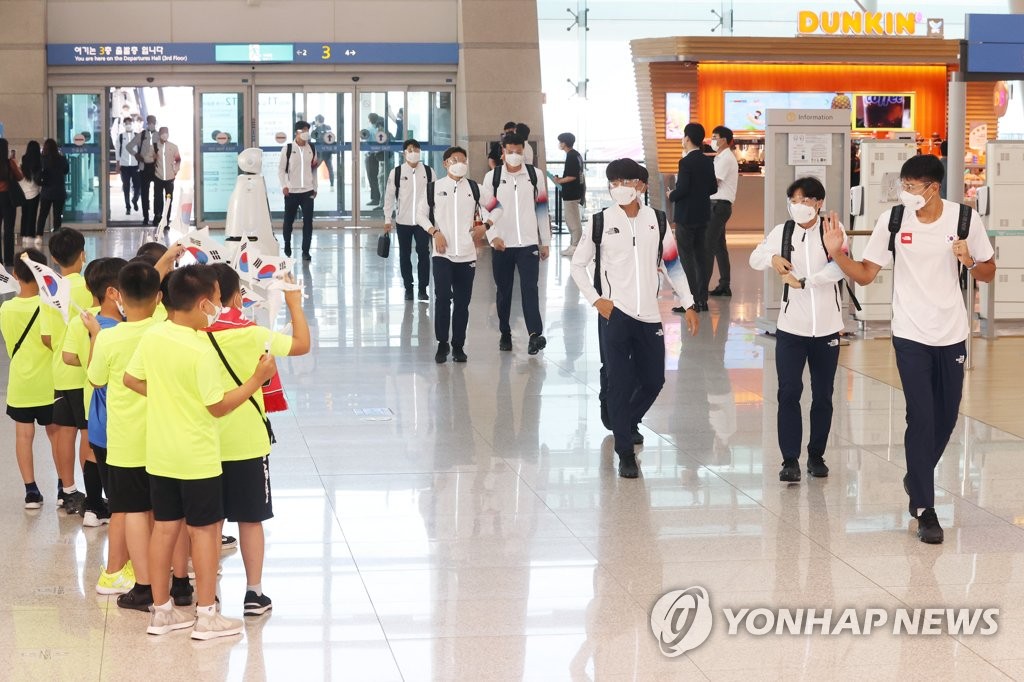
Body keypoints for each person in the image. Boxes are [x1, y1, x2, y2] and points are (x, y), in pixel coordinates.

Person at [822, 155, 996, 544]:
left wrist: (968, 259)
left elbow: (988, 271)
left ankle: (915, 475)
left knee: (946, 417)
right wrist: (838, 254)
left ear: (933, 188)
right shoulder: (894, 220)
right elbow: (866, 275)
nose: (906, 193)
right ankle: (924, 508)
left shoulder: (964, 220)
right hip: (910, 334)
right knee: (921, 416)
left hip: (952, 333)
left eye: (913, 187)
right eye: (904, 185)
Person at [124, 265, 278, 639]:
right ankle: (207, 615)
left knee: (164, 531)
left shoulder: (154, 336)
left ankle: (161, 612)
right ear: (202, 302)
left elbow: (131, 378)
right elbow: (218, 406)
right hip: (197, 457)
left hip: (160, 453)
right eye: (212, 302)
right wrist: (256, 380)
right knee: (204, 533)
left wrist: (166, 397)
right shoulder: (199, 350)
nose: (215, 310)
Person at [571, 159, 699, 478]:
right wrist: (597, 300)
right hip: (615, 314)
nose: (618, 187)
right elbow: (577, 265)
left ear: (641, 185)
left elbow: (672, 265)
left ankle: (626, 419)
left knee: (654, 379)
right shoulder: (599, 221)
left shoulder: (656, 219)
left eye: (624, 181)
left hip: (649, 315)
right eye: (613, 182)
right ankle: (625, 451)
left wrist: (690, 302)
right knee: (620, 379)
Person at [205, 263, 310, 616]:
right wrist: (294, 303)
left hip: (204, 441)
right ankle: (254, 593)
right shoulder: (252, 333)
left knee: (209, 522)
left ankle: (210, 591)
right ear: (235, 295)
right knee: (250, 520)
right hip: (248, 441)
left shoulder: (193, 336)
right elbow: (301, 345)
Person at [749, 177, 847, 483]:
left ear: (819, 203)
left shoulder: (833, 231)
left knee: (824, 395)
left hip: (828, 328)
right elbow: (755, 259)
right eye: (794, 200)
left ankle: (816, 455)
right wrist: (773, 257)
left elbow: (840, 267)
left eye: (805, 200)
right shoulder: (783, 231)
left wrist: (806, 281)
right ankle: (789, 459)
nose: (799, 206)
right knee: (789, 391)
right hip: (792, 328)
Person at [64, 257, 127, 528]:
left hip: (94, 406)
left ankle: (93, 506)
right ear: (114, 291)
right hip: (120, 411)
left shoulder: (83, 320)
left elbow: (68, 356)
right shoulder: (124, 329)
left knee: (93, 452)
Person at [481, 133, 551, 355]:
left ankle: (534, 335)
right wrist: (493, 238)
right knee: (504, 291)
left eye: (518, 151)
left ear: (524, 151)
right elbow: (485, 209)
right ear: (502, 152)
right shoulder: (492, 177)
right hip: (502, 243)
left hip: (528, 243)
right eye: (510, 151)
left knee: (530, 288)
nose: (514, 155)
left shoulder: (534, 175)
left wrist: (545, 241)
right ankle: (504, 332)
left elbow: (541, 208)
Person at [1, 248, 59, 509]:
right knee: (56, 435)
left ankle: (31, 491)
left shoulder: (6, 308)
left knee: (24, 436)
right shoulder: (49, 306)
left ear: (15, 274)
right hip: (49, 383)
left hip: (21, 383)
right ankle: (63, 484)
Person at [416, 146, 485, 363]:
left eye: (463, 160)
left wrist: (487, 226)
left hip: (466, 255)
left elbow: (497, 207)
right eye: (455, 160)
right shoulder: (433, 188)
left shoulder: (474, 188)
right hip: (442, 254)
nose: (460, 163)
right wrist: (434, 232)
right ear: (446, 163)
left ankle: (458, 346)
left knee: (462, 303)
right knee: (443, 298)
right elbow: (419, 215)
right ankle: (442, 343)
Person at [43, 227, 93, 515]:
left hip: (60, 373)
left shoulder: (50, 293)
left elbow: (46, 339)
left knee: (64, 431)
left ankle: (68, 491)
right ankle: (93, 493)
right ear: (83, 255)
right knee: (87, 432)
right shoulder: (88, 288)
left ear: (53, 258)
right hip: (85, 372)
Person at [668, 123, 717, 313]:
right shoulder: (707, 161)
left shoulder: (686, 162)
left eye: (683, 137)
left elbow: (683, 190)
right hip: (703, 214)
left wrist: (671, 194)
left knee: (686, 259)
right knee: (701, 258)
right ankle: (702, 300)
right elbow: (713, 188)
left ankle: (690, 301)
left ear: (687, 138)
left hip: (686, 216)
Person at [384, 139, 434, 300]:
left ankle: (423, 288)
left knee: (423, 254)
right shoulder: (397, 172)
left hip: (423, 221)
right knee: (404, 255)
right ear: (404, 152)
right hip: (403, 220)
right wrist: (387, 218)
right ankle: (408, 287)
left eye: (416, 149)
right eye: (410, 149)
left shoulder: (428, 171)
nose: (414, 152)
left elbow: (435, 197)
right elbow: (389, 196)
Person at [278, 120, 318, 261]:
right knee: (288, 221)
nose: (306, 133)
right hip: (292, 192)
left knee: (308, 222)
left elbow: (314, 170)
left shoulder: (311, 148)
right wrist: (284, 186)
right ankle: (287, 245)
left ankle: (305, 251)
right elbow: (281, 170)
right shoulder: (288, 148)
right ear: (297, 132)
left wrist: (315, 187)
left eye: (308, 130)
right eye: (303, 131)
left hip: (307, 191)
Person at [707, 126, 738, 297]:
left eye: (715, 136)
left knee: (708, 245)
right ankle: (724, 285)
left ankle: (701, 287)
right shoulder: (720, 157)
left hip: (718, 206)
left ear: (724, 139)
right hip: (717, 205)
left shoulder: (726, 158)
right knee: (719, 246)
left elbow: (714, 182)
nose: (713, 140)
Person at [553, 132, 584, 257]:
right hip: (574, 192)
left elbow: (572, 176)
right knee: (572, 220)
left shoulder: (571, 156)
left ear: (564, 143)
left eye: (560, 142)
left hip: (571, 193)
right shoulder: (576, 155)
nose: (559, 144)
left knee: (573, 221)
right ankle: (574, 245)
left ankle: (576, 246)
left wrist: (559, 180)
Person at [37, 139, 69, 233]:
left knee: (43, 215)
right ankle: (57, 233)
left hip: (46, 191)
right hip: (59, 191)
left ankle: (39, 234)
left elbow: (39, 174)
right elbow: (66, 171)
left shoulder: (42, 159)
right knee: (57, 215)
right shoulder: (62, 159)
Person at [0, 138, 24, 265]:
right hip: (8, 198)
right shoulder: (9, 163)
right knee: (9, 230)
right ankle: (9, 260)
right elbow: (20, 177)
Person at [153, 126, 181, 231]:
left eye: (166, 133)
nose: (165, 135)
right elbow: (150, 158)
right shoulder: (155, 147)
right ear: (159, 134)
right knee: (158, 199)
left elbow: (178, 160)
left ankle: (166, 220)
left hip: (169, 179)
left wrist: (175, 171)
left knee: (168, 200)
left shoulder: (173, 147)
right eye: (163, 133)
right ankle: (157, 217)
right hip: (158, 177)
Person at [114, 117, 141, 216]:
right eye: (126, 123)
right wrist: (118, 164)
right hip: (124, 166)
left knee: (138, 186)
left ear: (132, 124)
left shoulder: (137, 136)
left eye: (130, 123)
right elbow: (117, 151)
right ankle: (128, 207)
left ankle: (134, 200)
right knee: (126, 187)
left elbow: (141, 150)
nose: (128, 124)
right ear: (124, 125)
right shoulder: (121, 137)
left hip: (135, 166)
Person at [136, 114, 158, 226]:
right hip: (144, 168)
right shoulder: (141, 135)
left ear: (155, 122)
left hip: (155, 168)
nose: (151, 123)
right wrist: (137, 155)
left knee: (157, 194)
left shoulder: (159, 135)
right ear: (146, 122)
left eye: (153, 122)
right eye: (149, 122)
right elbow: (130, 146)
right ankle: (145, 217)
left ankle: (156, 217)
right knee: (145, 193)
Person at [19, 140, 43, 246]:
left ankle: (24, 234)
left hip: (23, 191)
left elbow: (19, 173)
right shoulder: (39, 161)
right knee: (32, 214)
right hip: (35, 191)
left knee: (24, 214)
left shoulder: (23, 159)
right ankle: (30, 235)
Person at [364, 113, 387, 208]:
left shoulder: (368, 130)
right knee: (378, 177)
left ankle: (375, 198)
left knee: (372, 177)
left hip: (371, 155)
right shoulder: (381, 129)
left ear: (369, 119)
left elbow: (366, 142)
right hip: (379, 155)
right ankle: (379, 197)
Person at [311, 114, 335, 188]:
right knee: (330, 169)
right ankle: (332, 185)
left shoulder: (316, 129)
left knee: (313, 169)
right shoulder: (328, 127)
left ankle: (311, 184)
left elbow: (313, 137)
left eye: (316, 121)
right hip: (328, 152)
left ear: (317, 120)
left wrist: (312, 127)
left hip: (320, 153)